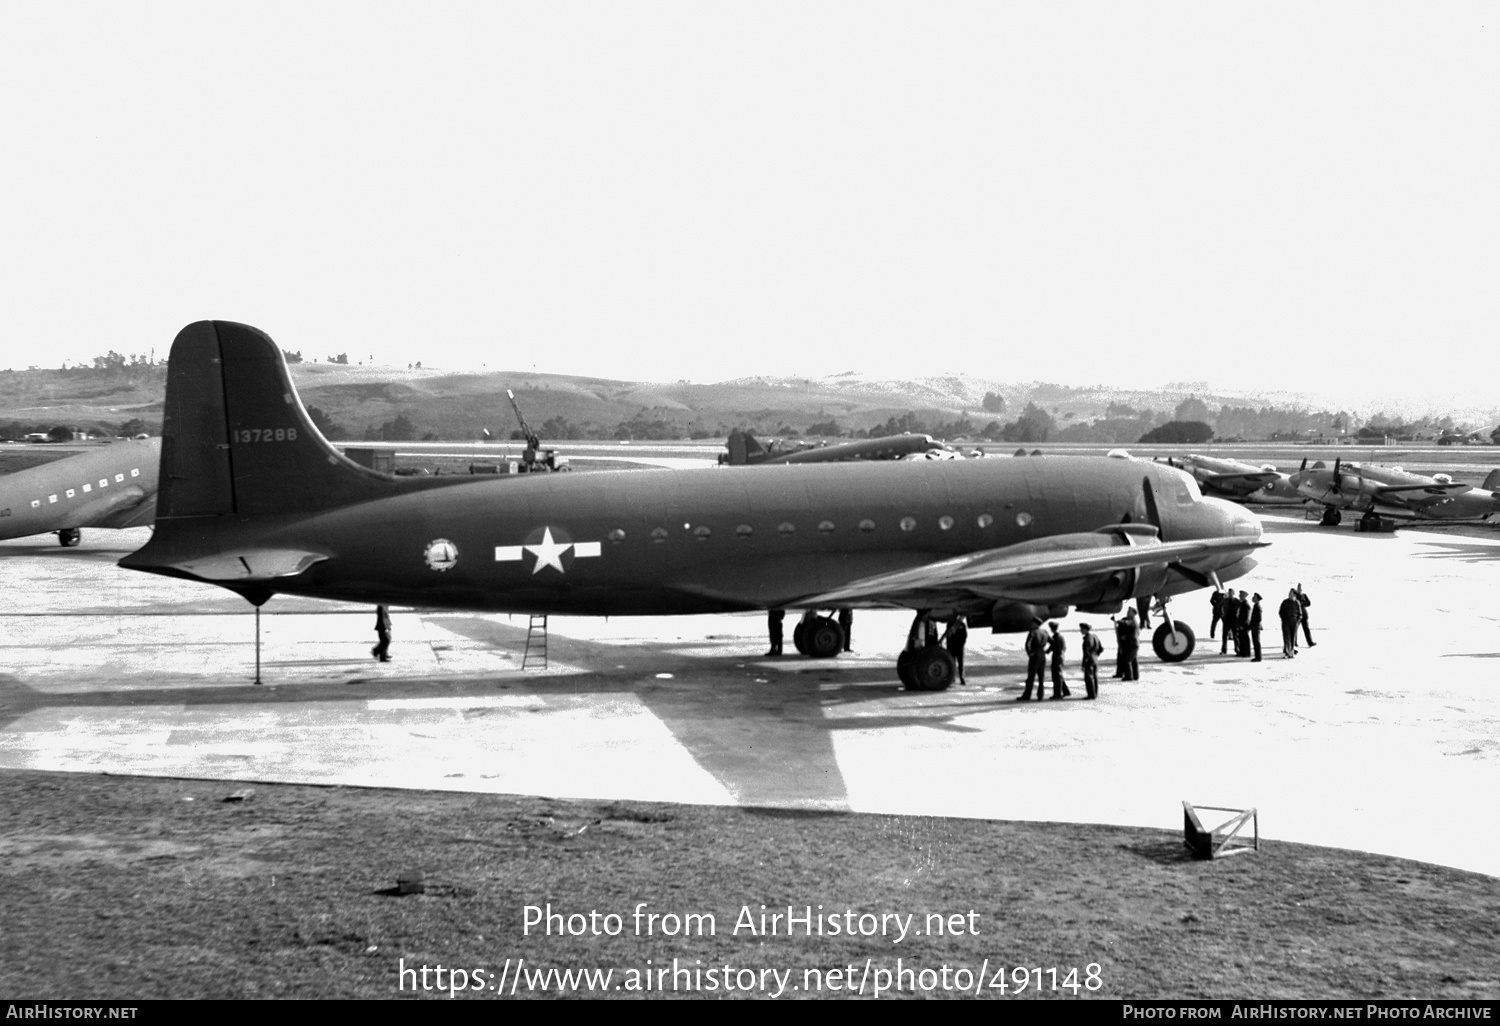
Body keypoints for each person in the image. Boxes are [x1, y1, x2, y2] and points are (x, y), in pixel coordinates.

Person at [1020, 616, 1048, 700]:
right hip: (1042, 654)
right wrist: (1047, 651)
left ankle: (1027, 695)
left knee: (1031, 677)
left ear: (1035, 623)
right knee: (1041, 677)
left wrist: (1029, 654)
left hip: (1035, 654)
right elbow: (1052, 642)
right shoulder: (1044, 632)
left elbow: (1028, 643)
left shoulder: (1033, 632)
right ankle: (1040, 695)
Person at [1047, 621, 1071, 699]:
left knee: (1056, 676)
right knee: (1059, 675)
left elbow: (1053, 647)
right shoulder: (1060, 636)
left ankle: (1057, 694)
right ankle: (1066, 691)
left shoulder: (1056, 637)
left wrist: (1046, 651)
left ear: (1052, 629)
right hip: (1061, 656)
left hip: (1057, 657)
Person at [942, 617, 968, 686]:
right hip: (952, 646)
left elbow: (964, 636)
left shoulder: (961, 625)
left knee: (960, 663)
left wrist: (961, 644)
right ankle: (953, 677)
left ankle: (961, 678)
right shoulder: (950, 625)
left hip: (958, 646)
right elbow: (948, 636)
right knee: (953, 663)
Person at [1079, 623, 1103, 699]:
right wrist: (1095, 655)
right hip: (1095, 659)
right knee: (1094, 677)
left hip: (1089, 660)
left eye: (1082, 629)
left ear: (1085, 629)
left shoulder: (1087, 639)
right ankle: (1095, 693)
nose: (1080, 630)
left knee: (1089, 678)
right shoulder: (1095, 636)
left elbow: (1086, 653)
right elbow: (1101, 648)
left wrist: (1083, 665)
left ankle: (1091, 695)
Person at [1118, 608, 1140, 681]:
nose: (1127, 613)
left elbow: (1126, 623)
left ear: (1133, 613)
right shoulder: (1130, 620)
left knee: (1126, 660)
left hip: (1132, 644)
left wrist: (1118, 621)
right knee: (1133, 660)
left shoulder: (1133, 621)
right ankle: (1135, 676)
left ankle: (1129, 676)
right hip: (1133, 644)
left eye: (1129, 612)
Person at [1278, 590, 1301, 658]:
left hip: (1294, 622)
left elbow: (1300, 614)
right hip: (1286, 621)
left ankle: (1291, 652)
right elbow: (1280, 611)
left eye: (1290, 593)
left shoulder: (1297, 602)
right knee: (1286, 637)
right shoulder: (1285, 602)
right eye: (1289, 593)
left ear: (1294, 594)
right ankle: (1287, 653)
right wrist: (1283, 619)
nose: (1289, 594)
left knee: (1292, 637)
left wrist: (1297, 621)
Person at [1220, 590, 1240, 655]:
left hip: (1234, 620)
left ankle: (1237, 649)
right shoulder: (1225, 600)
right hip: (1226, 620)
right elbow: (1219, 606)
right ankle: (1224, 650)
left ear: (1233, 593)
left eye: (1231, 593)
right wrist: (1221, 614)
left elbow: (1241, 608)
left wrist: (1238, 615)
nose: (1230, 594)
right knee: (1224, 636)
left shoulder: (1237, 601)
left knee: (1235, 636)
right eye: (1229, 593)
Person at [1235, 589, 1252, 657]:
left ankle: (1246, 653)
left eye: (1241, 595)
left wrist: (1242, 625)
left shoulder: (1246, 605)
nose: (1240, 597)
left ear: (1244, 596)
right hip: (1241, 624)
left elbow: (1246, 617)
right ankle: (1242, 652)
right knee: (1241, 639)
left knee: (1245, 639)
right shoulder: (1242, 604)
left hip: (1244, 625)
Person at [1249, 593, 1264, 661]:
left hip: (1256, 627)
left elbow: (1259, 618)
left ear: (1257, 599)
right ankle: (1257, 656)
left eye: (1254, 597)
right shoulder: (1256, 606)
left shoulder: (1258, 607)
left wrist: (1254, 625)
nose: (1253, 598)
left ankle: (1258, 657)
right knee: (1255, 642)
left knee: (1256, 642)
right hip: (1255, 627)